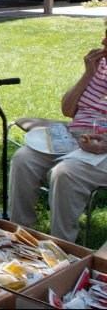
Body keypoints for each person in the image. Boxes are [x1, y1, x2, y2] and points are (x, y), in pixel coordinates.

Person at [9, 24, 107, 242]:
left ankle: (62, 249)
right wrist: (88, 74)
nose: (103, 43)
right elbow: (67, 109)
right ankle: (20, 236)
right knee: (23, 159)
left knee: (65, 173)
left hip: (103, 147)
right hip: (77, 136)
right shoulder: (100, 67)